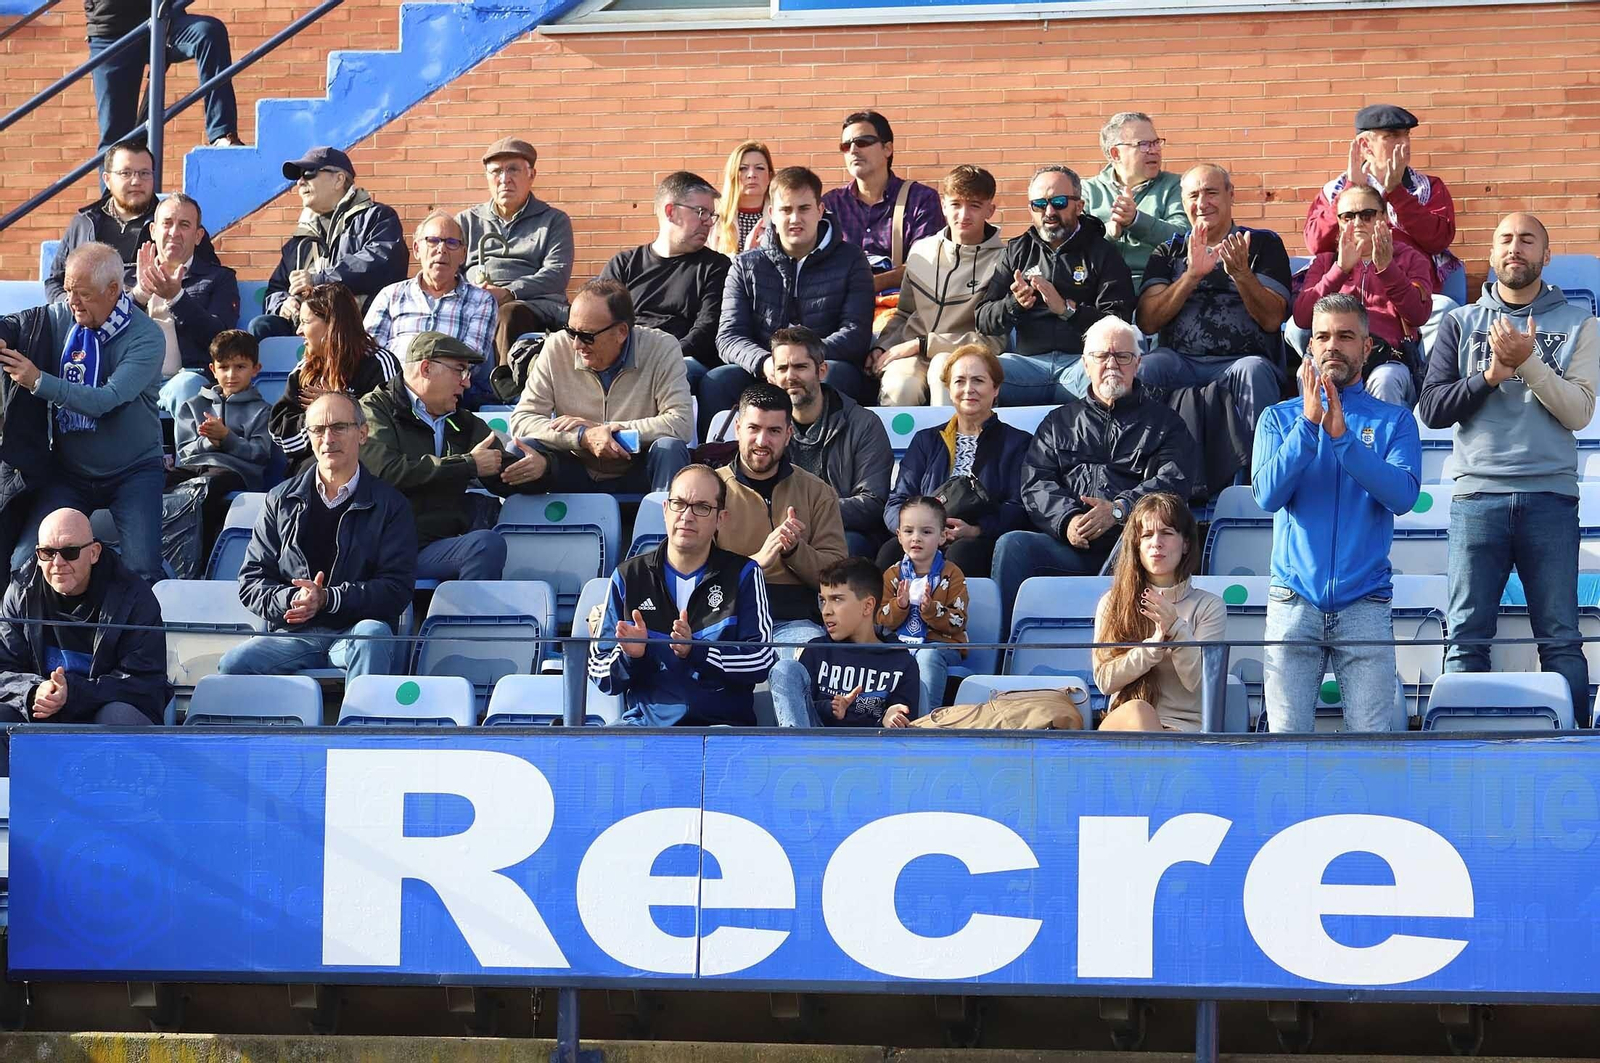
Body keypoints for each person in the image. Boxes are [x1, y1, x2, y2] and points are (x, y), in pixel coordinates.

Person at [1419, 213, 1599, 727]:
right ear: (1492, 255)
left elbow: (1578, 411)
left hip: (1551, 497)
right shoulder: (1460, 323)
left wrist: (1529, 364)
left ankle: (1576, 754)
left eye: (1527, 239)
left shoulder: (1583, 325)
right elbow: (1432, 409)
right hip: (1478, 499)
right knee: (1466, 637)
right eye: (1504, 239)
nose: (1514, 247)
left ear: (1546, 255)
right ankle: (1460, 748)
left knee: (1561, 638)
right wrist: (1492, 374)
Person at [1252, 293, 1421, 733]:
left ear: (1366, 347)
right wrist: (1308, 427)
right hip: (1292, 600)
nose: (1332, 346)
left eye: (1346, 336)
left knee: (1371, 742)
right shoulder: (1278, 418)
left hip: (1364, 599)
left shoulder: (1395, 421)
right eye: (1322, 336)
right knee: (1286, 742)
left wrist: (1344, 438)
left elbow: (1402, 496)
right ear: (1309, 347)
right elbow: (1267, 496)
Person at [991, 315, 1196, 626]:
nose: (1111, 364)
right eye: (1101, 356)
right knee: (1012, 546)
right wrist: (1068, 521)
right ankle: (1006, 650)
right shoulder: (1058, 423)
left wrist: (1119, 510)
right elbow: (1036, 482)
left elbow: (1172, 483)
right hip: (1071, 545)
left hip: (1134, 547)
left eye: (1122, 356)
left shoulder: (1167, 424)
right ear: (1086, 365)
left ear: (1137, 363)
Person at [220, 392, 416, 680]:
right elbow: (252, 582)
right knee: (233, 664)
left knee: (373, 635)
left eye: (339, 427)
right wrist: (294, 599)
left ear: (363, 433)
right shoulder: (280, 499)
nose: (328, 438)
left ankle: (360, 724)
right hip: (296, 632)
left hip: (356, 629)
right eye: (318, 429)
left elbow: (396, 589)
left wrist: (329, 598)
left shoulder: (391, 505)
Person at [0, 242, 166, 583]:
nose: (72, 302)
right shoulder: (63, 315)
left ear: (113, 290)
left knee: (142, 571)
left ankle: (139, 637)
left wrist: (38, 381)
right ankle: (30, 635)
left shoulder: (146, 336)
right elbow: (17, 325)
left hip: (134, 473)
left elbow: (105, 401)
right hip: (70, 472)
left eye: (84, 294)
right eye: (68, 290)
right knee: (24, 562)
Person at [590, 463, 776, 726]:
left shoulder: (743, 573)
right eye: (679, 504)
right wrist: (631, 656)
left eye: (701, 507)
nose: (687, 516)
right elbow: (600, 672)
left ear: (720, 519)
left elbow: (762, 658)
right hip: (647, 729)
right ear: (665, 510)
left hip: (724, 730)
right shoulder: (628, 576)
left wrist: (698, 652)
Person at [360, 331, 549, 584]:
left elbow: (504, 472)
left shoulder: (462, 421)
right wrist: (468, 465)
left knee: (485, 545)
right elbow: (386, 472)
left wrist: (540, 470)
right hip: (382, 548)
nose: (467, 383)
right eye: (460, 371)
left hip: (432, 545)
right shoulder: (374, 409)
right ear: (426, 368)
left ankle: (464, 623)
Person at [705, 166, 874, 439]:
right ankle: (718, 466)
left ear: (820, 211)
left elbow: (856, 332)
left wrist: (801, 362)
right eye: (785, 210)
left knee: (836, 374)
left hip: (823, 365)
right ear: (771, 214)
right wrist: (766, 364)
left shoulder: (852, 261)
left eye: (804, 208)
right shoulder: (746, 266)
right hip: (765, 369)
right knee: (719, 380)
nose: (795, 218)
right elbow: (729, 336)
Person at [1136, 164, 1292, 431]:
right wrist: (1190, 276)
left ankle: (1255, 471)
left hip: (1242, 363)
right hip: (1180, 361)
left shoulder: (1261, 244)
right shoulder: (1169, 250)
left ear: (1231, 195)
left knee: (1253, 371)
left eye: (1211, 193)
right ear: (1183, 201)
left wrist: (1242, 274)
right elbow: (1148, 322)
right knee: (1148, 367)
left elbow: (1272, 320)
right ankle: (1149, 466)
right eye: (1193, 195)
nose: (1202, 203)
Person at [510, 279, 693, 494]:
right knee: (519, 450)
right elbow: (522, 420)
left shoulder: (662, 348)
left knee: (670, 449)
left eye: (587, 336)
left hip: (638, 468)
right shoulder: (556, 346)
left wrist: (606, 430)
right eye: (571, 332)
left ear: (621, 332)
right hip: (573, 467)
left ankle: (662, 525)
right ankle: (522, 527)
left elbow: (681, 423)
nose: (576, 344)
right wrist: (583, 437)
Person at [975, 165, 1135, 406]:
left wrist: (1068, 311)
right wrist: (1015, 304)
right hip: (1027, 365)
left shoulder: (1102, 252)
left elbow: (1118, 321)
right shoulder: (1016, 251)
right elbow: (983, 319)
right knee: (974, 372)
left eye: (1058, 202)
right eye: (1039, 204)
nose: (1048, 211)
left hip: (1081, 365)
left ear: (1079, 206)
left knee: (1110, 376)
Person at [0, 508, 166, 739]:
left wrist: (73, 693)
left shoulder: (135, 597)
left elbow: (144, 683)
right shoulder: (20, 591)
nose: (57, 562)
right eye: (47, 552)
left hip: (105, 709)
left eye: (69, 552)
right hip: (41, 708)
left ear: (94, 553)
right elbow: (4, 668)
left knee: (118, 717)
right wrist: (33, 692)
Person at [714, 382, 848, 647]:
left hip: (794, 622)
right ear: (738, 429)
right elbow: (688, 568)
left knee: (806, 658)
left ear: (788, 434)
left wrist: (795, 550)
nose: (762, 441)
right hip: (724, 617)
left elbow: (838, 578)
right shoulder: (709, 489)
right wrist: (751, 567)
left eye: (774, 431)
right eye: (754, 429)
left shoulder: (817, 491)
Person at [879, 344, 1029, 579]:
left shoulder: (1017, 443)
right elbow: (898, 500)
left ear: (996, 388)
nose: (968, 389)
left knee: (961, 553)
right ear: (949, 389)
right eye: (959, 381)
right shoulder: (926, 440)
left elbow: (1019, 507)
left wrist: (975, 530)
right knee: (890, 552)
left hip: (979, 540)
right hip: (921, 536)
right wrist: (916, 532)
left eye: (978, 380)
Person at [871, 164, 1006, 406]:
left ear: (990, 210)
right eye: (955, 204)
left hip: (965, 356)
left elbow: (994, 342)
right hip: (911, 353)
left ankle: (954, 444)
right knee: (901, 387)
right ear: (943, 205)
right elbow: (903, 313)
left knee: (944, 371)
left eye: (974, 206)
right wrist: (882, 347)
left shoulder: (1003, 262)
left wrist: (924, 344)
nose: (963, 215)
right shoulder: (922, 250)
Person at [1091, 492, 1226, 732]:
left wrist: (1176, 629)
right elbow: (1104, 680)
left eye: (1166, 533)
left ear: (1185, 543)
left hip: (1184, 730)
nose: (1156, 543)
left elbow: (1199, 683)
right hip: (1125, 727)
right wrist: (1151, 650)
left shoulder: (1209, 606)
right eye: (1147, 535)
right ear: (1137, 545)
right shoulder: (1112, 602)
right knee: (1139, 711)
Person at [1292, 183, 1432, 407]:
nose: (1357, 223)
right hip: (1333, 355)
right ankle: (1317, 440)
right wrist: (1339, 270)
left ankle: (1384, 442)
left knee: (1385, 381)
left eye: (1367, 215)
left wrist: (1387, 269)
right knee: (1309, 374)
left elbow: (1418, 315)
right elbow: (1301, 317)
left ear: (1384, 217)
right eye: (1348, 216)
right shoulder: (1325, 262)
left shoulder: (1410, 259)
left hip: (1387, 358)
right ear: (1339, 222)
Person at [251, 147, 408, 340]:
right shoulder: (299, 240)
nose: (300, 182)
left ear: (339, 179)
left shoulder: (377, 217)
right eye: (299, 177)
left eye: (309, 173)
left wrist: (318, 280)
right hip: (306, 328)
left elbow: (382, 263)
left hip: (356, 326)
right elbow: (276, 288)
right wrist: (283, 304)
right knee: (261, 326)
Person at [1304, 104, 1461, 296]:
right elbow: (1316, 244)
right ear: (1365, 146)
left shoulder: (1429, 187)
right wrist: (1351, 188)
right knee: (1297, 325)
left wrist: (1397, 192)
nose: (1404, 143)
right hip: (1348, 293)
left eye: (1406, 135)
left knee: (1444, 309)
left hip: (1409, 290)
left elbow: (1439, 240)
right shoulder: (1333, 191)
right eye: (1392, 136)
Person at [600, 171, 731, 393]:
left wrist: (660, 359)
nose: (708, 222)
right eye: (701, 212)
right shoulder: (624, 265)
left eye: (711, 215)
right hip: (623, 358)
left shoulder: (715, 266)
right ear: (671, 211)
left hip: (682, 362)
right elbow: (600, 319)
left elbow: (706, 329)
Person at [769, 326, 892, 559]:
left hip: (845, 531)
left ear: (822, 370)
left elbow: (873, 503)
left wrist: (809, 514)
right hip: (779, 528)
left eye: (800, 367)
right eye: (782, 368)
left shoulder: (863, 424)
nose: (790, 376)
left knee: (848, 545)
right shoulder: (768, 427)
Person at [363, 209, 498, 408]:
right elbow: (369, 351)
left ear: (463, 254)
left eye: (451, 243)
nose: (442, 249)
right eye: (433, 241)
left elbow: (472, 359)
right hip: (392, 396)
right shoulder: (390, 295)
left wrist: (427, 380)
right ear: (417, 249)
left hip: (452, 398)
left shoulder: (481, 300)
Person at [457, 137, 575, 361]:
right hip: (473, 301)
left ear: (531, 175)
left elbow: (556, 274)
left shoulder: (554, 220)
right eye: (496, 172)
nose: (504, 179)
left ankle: (506, 389)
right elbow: (451, 269)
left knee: (508, 313)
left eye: (513, 170)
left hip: (532, 306)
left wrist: (509, 293)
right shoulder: (466, 221)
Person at [770, 557, 918, 728]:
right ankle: (794, 750)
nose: (826, 611)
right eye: (823, 601)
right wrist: (830, 708)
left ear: (868, 606)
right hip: (813, 745)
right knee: (786, 669)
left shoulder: (902, 662)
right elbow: (800, 708)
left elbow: (907, 730)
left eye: (837, 599)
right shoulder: (815, 651)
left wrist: (888, 719)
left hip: (871, 749)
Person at [271, 283, 401, 473]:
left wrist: (340, 404)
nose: (298, 330)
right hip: (312, 471)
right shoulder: (304, 370)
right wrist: (318, 415)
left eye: (305, 322)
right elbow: (282, 438)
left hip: (366, 471)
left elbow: (391, 426)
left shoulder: (379, 363)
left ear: (332, 323)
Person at [135, 193, 242, 417]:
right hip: (135, 379)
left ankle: (191, 453)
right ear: (153, 230)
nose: (174, 233)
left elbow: (222, 340)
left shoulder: (218, 279)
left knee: (186, 386)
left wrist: (176, 298)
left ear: (198, 236)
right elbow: (106, 329)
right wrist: (139, 295)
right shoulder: (129, 278)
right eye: (167, 224)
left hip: (188, 378)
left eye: (184, 225)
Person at [83, 0, 241, 150]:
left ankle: (221, 134)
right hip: (111, 31)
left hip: (163, 21)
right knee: (116, 137)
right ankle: (113, 176)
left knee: (209, 32)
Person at [171, 330, 273, 556]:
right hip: (194, 467)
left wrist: (227, 438)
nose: (231, 374)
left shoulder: (262, 411)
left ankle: (197, 559)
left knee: (206, 488)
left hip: (235, 472)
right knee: (151, 482)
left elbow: (260, 453)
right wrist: (209, 442)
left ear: (256, 369)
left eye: (240, 367)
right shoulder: (193, 405)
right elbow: (184, 451)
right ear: (212, 370)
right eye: (224, 367)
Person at [821, 110, 943, 295]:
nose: (853, 150)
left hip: (900, 311)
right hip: (840, 311)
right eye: (845, 146)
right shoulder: (831, 204)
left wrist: (870, 284)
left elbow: (927, 264)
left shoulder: (920, 199)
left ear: (888, 148)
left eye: (862, 142)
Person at [878, 496, 969, 716]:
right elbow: (880, 619)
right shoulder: (892, 574)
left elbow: (958, 621)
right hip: (899, 644)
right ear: (899, 536)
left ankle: (926, 720)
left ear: (942, 536)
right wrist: (899, 606)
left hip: (940, 646)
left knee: (926, 656)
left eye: (926, 532)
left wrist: (931, 610)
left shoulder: (952, 574)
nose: (916, 538)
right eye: (908, 531)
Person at [1082, 111, 1189, 288]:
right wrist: (1110, 232)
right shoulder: (1087, 191)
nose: (1154, 150)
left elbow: (1184, 237)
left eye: (1156, 143)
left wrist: (1136, 221)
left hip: (1155, 287)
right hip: (1099, 290)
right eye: (1144, 144)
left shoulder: (1175, 186)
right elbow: (1073, 245)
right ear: (1115, 153)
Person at [44, 141, 158, 301]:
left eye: (145, 173)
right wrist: (71, 308)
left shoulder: (172, 224)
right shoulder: (83, 223)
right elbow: (55, 281)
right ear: (107, 179)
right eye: (126, 173)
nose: (136, 181)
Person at [710, 141, 773, 256]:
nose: (751, 175)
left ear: (770, 176)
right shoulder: (713, 217)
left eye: (759, 168)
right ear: (732, 175)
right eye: (743, 168)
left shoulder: (780, 217)